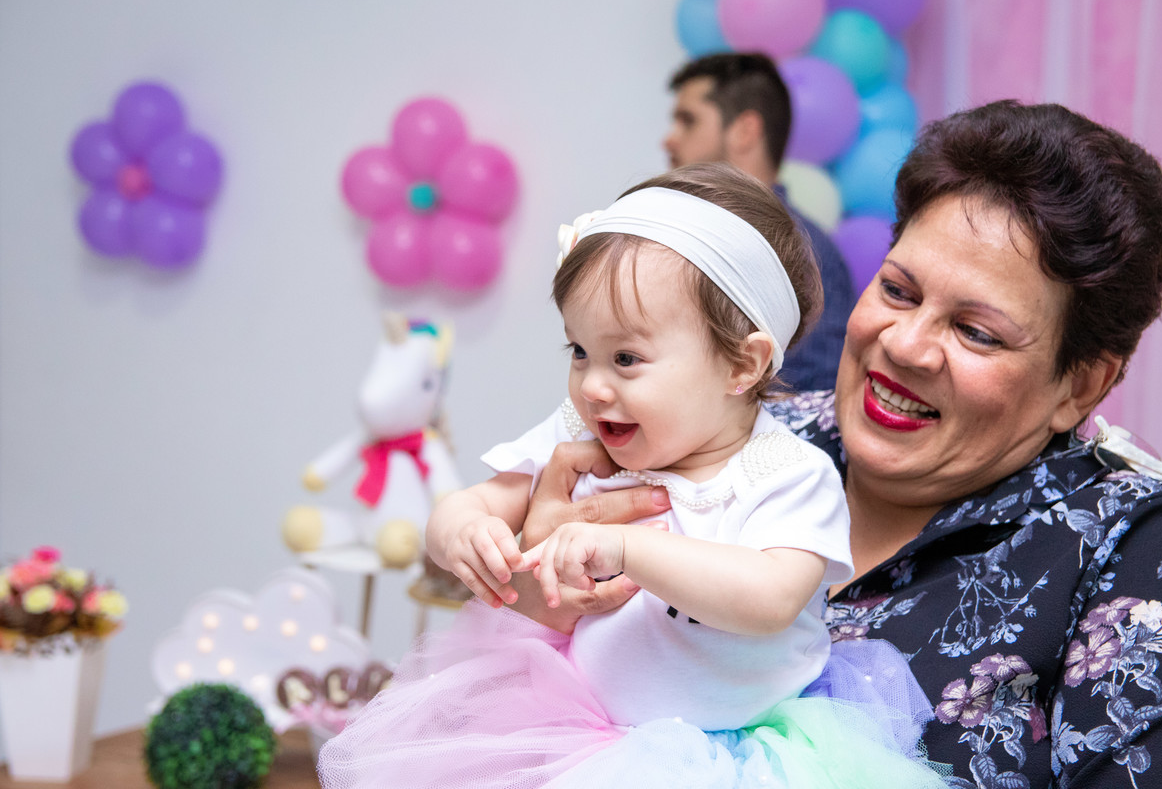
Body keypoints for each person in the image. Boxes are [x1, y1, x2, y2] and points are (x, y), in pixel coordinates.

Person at [510, 101, 1162, 787]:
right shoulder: (746, 429)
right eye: (898, 290)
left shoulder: (1136, 545)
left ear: (1079, 385)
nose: (904, 345)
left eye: (977, 332)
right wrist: (532, 565)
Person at [317, 163, 947, 788]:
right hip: (575, 726)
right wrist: (461, 532)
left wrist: (629, 546)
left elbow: (772, 599)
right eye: (579, 351)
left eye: (626, 358)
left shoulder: (786, 471)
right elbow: (479, 500)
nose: (592, 385)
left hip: (742, 754)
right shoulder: (579, 429)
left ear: (742, 365)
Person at [664, 52, 855, 391]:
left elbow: (814, 398)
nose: (670, 139)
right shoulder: (680, 235)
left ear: (744, 131)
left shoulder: (805, 253)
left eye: (688, 120)